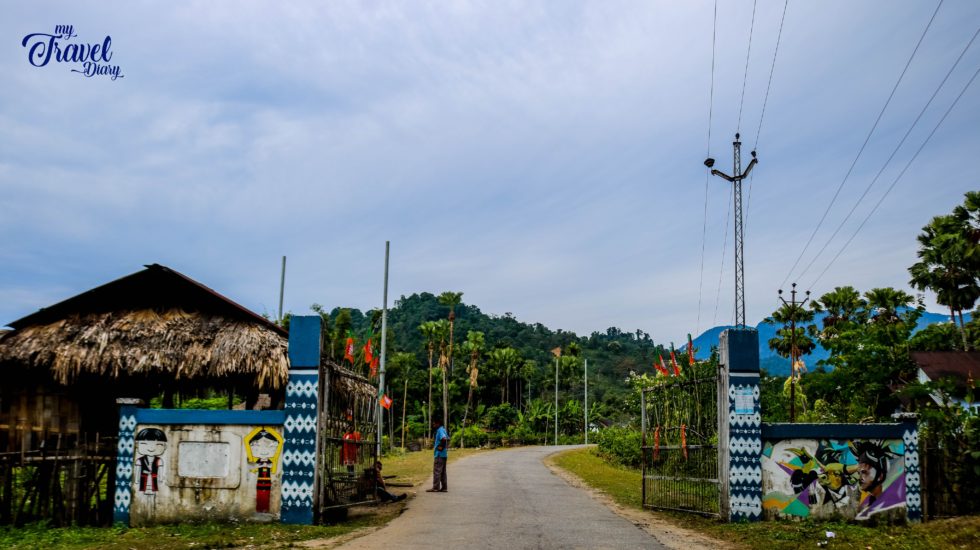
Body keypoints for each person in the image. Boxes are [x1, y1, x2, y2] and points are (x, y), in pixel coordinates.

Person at [426, 419, 448, 492]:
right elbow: (448, 438)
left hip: (439, 455)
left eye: (434, 424)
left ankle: (435, 487)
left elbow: (444, 439)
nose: (433, 425)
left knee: (437, 471)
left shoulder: (440, 430)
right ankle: (444, 487)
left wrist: (440, 447)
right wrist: (444, 447)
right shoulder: (443, 429)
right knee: (442, 472)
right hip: (444, 455)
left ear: (438, 423)